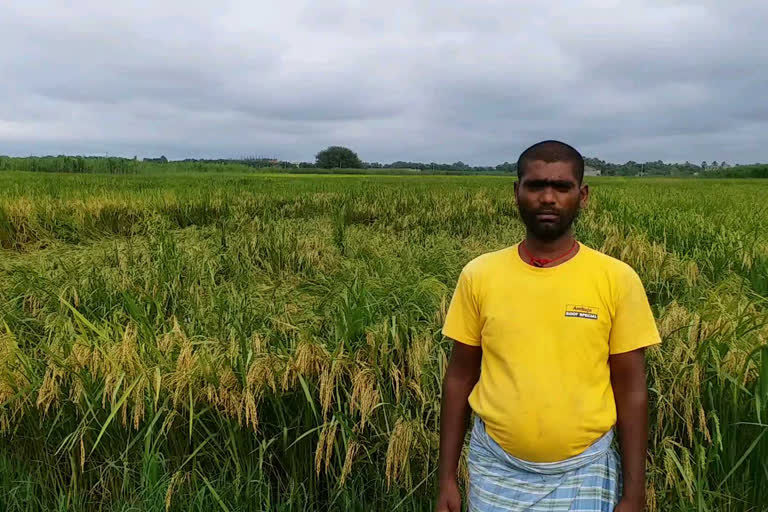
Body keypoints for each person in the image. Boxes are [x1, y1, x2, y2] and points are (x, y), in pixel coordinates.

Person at [435, 140, 661, 512]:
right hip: (495, 469)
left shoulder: (616, 279)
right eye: (536, 185)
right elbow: (460, 377)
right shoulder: (480, 275)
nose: (548, 198)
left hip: (585, 472)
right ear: (517, 192)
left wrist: (634, 494)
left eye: (562, 186)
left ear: (582, 195)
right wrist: (446, 478)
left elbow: (632, 388)